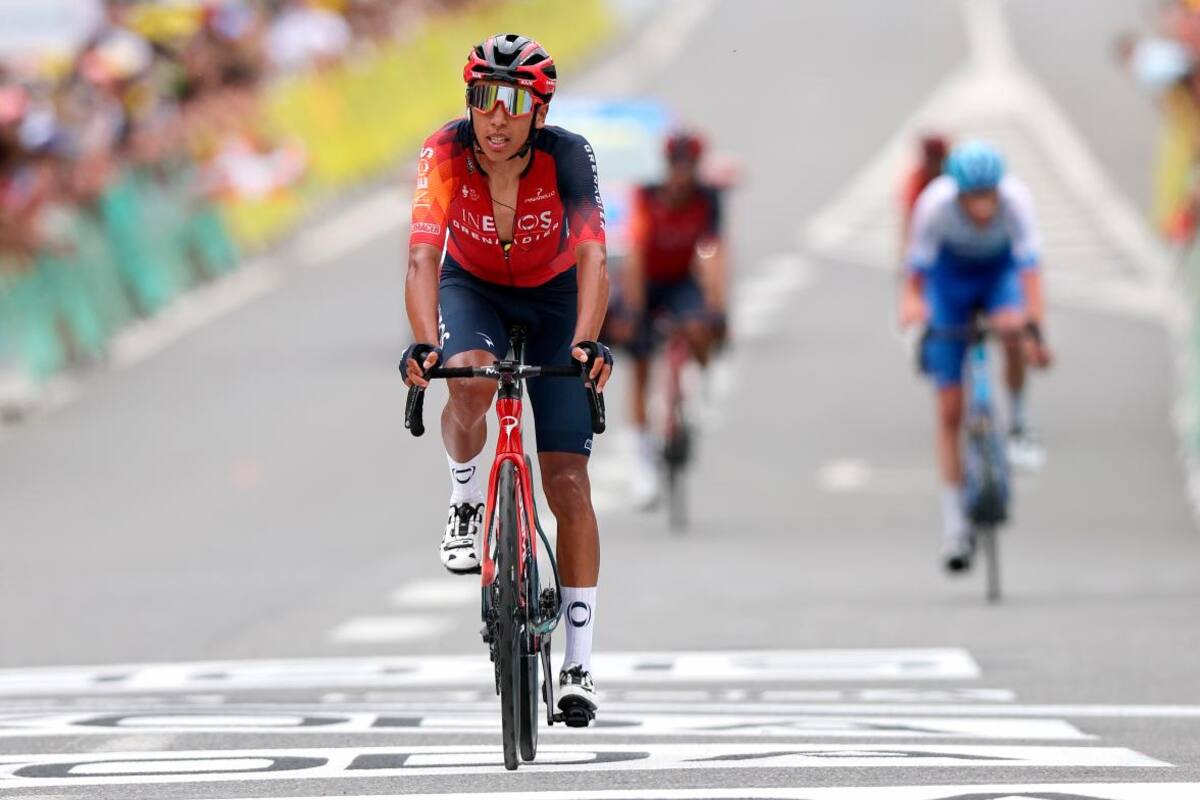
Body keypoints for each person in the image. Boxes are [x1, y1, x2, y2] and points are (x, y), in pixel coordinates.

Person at [400, 33, 611, 724]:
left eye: (513, 103)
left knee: (568, 481)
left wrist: (585, 343)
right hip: (474, 289)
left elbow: (593, 261)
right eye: (484, 100)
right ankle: (465, 500)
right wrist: (425, 344)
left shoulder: (569, 157)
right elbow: (423, 261)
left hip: (553, 301)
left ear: (538, 115)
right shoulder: (443, 151)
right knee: (468, 381)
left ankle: (578, 659)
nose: (496, 117)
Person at [898, 141, 1053, 572]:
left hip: (998, 275)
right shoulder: (934, 206)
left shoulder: (1017, 202)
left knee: (1011, 328)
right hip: (950, 283)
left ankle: (1018, 421)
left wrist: (1034, 328)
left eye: (990, 195)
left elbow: (1030, 270)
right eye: (974, 196)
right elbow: (914, 278)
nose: (984, 206)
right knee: (949, 409)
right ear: (958, 192)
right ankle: (954, 528)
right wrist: (912, 313)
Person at [618, 130, 727, 505]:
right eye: (676, 167)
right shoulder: (646, 196)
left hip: (682, 280)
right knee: (642, 363)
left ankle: (698, 385)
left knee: (700, 328)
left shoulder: (708, 198)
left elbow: (714, 253)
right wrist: (633, 309)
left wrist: (716, 308)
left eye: (690, 167)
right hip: (646, 281)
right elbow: (634, 252)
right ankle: (641, 463)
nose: (683, 175)